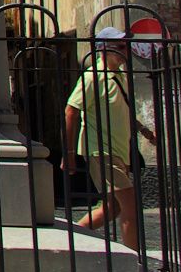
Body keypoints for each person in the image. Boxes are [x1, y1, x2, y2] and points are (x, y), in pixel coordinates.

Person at [63, 26, 156, 248]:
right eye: (120, 46)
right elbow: (71, 111)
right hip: (101, 152)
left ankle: (72, 236)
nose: (125, 50)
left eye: (126, 45)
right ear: (104, 49)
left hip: (118, 151)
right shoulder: (92, 77)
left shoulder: (119, 76)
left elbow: (121, 110)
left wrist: (144, 131)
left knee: (111, 208)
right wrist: (69, 154)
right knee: (129, 207)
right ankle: (135, 261)